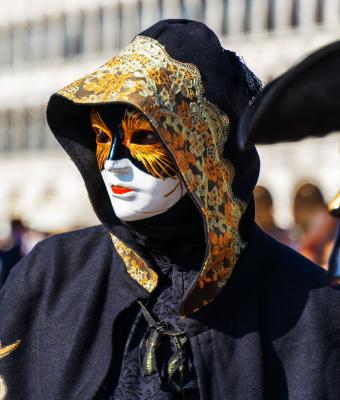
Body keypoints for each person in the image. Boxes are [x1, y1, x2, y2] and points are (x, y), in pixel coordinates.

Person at [0, 19, 340, 400]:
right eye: (101, 137)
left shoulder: (312, 305)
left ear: (204, 147)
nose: (113, 163)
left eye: (144, 136)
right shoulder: (51, 276)